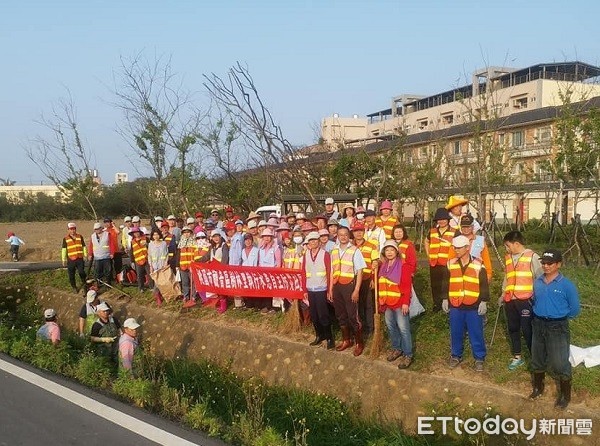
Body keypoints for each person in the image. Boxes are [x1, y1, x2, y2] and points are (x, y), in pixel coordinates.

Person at [529, 249, 580, 409]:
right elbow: (534, 300)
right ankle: (538, 388)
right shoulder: (537, 282)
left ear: (558, 264)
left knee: (559, 362)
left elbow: (575, 309)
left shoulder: (567, 285)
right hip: (538, 324)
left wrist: (559, 316)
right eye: (543, 263)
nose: (545, 266)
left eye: (549, 263)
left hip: (557, 326)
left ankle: (565, 395)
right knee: (537, 358)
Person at [442, 235, 489, 372]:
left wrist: (484, 301)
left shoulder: (479, 264)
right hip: (456, 304)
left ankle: (479, 357)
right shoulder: (450, 264)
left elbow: (484, 284)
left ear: (467, 248)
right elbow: (445, 282)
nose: (456, 250)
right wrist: (445, 298)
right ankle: (456, 355)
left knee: (476, 332)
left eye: (459, 248)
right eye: (454, 247)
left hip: (473, 305)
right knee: (456, 331)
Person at [501, 230, 542, 371]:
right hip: (510, 299)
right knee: (513, 328)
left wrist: (537, 297)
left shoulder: (532, 257)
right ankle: (517, 356)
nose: (507, 249)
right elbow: (507, 277)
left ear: (516, 244)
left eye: (508, 245)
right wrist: (503, 293)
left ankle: (535, 358)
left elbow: (540, 278)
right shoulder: (508, 258)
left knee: (527, 329)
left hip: (526, 300)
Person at [329, 225, 367, 356]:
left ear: (349, 235)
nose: (343, 237)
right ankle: (347, 340)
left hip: (349, 286)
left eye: (345, 234)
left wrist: (356, 290)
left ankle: (359, 343)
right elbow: (332, 271)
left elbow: (360, 271)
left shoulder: (355, 250)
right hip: (337, 286)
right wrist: (330, 289)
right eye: (340, 235)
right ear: (337, 237)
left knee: (353, 316)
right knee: (341, 315)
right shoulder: (334, 251)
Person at [378, 240, 413, 369]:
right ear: (384, 252)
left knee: (404, 329)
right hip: (388, 303)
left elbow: (406, 285)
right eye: (387, 250)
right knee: (391, 327)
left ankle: (408, 354)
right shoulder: (384, 265)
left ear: (396, 251)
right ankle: (397, 348)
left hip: (399, 303)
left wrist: (405, 303)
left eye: (392, 250)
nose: (389, 252)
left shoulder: (402, 266)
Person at [303, 231, 334, 349]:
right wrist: (304, 290)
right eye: (311, 241)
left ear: (319, 242)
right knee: (314, 315)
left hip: (322, 288)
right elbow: (303, 272)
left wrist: (329, 290)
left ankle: (329, 337)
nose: (313, 242)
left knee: (323, 315)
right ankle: (319, 335)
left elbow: (329, 272)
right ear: (308, 243)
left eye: (315, 240)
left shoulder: (325, 254)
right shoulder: (306, 255)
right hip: (310, 288)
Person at [352, 220, 379, 338]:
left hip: (367, 278)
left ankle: (370, 328)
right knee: (356, 305)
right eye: (356, 231)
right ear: (353, 233)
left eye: (361, 231)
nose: (358, 233)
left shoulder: (372, 246)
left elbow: (375, 264)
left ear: (364, 232)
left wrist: (373, 278)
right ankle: (359, 327)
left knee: (368, 304)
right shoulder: (350, 246)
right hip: (352, 280)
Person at [425, 208, 455, 312]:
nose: (441, 221)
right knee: (435, 284)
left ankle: (446, 303)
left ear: (448, 220)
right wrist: (429, 254)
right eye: (439, 219)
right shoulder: (432, 231)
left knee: (446, 283)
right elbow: (426, 241)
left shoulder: (454, 232)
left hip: (447, 263)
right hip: (434, 263)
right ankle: (436, 304)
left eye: (444, 219)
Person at [454, 215, 492, 283]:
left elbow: (486, 261)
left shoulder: (480, 241)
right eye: (463, 227)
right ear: (460, 227)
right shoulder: (456, 241)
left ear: (473, 226)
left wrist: (488, 276)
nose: (466, 229)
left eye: (468, 226)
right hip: (459, 276)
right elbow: (450, 260)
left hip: (477, 276)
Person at [257, 227, 281, 313]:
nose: (266, 238)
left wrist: (277, 273)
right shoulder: (261, 248)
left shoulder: (276, 248)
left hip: (273, 273)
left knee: (273, 291)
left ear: (271, 237)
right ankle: (266, 306)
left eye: (268, 236)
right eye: (265, 236)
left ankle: (275, 308)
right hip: (263, 273)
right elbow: (259, 261)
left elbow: (278, 262)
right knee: (265, 290)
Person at [61, 222, 88, 293]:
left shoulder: (80, 236)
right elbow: (64, 249)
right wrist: (63, 259)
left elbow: (83, 246)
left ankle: (85, 285)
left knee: (81, 272)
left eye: (74, 229)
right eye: (71, 229)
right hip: (71, 259)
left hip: (79, 258)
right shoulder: (65, 239)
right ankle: (74, 287)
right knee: (71, 274)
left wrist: (85, 255)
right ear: (68, 230)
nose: (73, 231)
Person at [177, 227, 197, 307]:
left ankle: (193, 297)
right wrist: (177, 266)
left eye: (188, 232)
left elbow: (196, 255)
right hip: (183, 266)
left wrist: (194, 265)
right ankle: (186, 296)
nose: (186, 234)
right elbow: (178, 255)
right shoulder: (180, 243)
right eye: (184, 232)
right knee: (185, 282)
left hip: (191, 266)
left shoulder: (194, 243)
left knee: (193, 282)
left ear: (191, 233)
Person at [148, 229, 169, 307]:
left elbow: (167, 254)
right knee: (156, 282)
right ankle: (157, 296)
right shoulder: (150, 244)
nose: (155, 236)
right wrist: (150, 266)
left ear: (159, 235)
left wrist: (166, 263)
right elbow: (149, 255)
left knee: (163, 281)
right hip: (154, 265)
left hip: (162, 265)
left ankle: (164, 294)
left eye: (157, 234)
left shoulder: (164, 243)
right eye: (154, 235)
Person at [130, 226, 150, 292]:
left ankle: (152, 287)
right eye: (134, 233)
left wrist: (147, 244)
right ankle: (141, 288)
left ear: (140, 232)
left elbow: (151, 247)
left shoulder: (146, 238)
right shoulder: (132, 242)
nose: (136, 234)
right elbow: (131, 252)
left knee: (149, 273)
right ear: (133, 234)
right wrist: (132, 261)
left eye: (137, 232)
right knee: (139, 275)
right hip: (138, 260)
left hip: (146, 259)